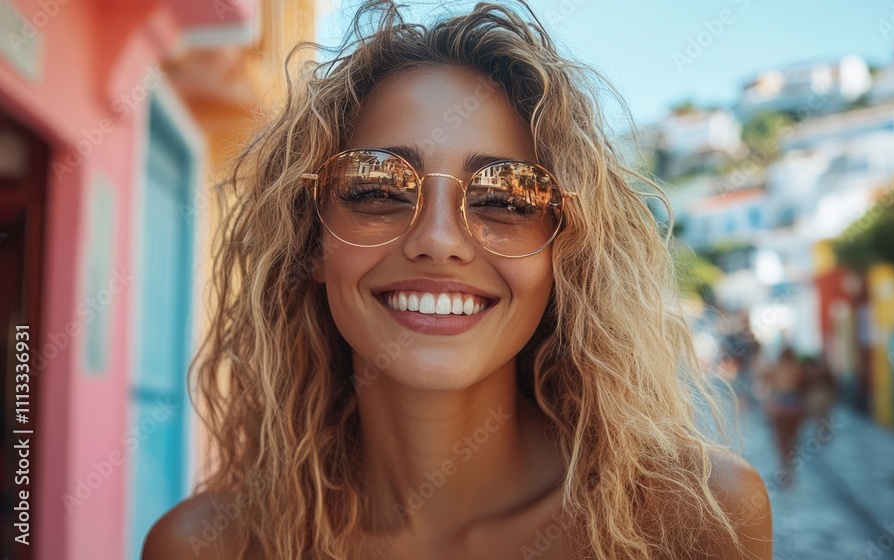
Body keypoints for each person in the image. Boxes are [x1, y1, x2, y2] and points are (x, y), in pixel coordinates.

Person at [142, 1, 771, 558]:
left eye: (506, 199)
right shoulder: (204, 548)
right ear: (312, 240)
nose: (439, 240)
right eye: (377, 188)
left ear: (564, 253)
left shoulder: (699, 519)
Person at [760, 347, 806, 488]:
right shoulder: (798, 369)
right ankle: (789, 470)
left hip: (779, 404)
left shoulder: (774, 368)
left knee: (781, 440)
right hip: (793, 404)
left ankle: (783, 470)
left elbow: (765, 381)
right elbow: (804, 386)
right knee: (792, 440)